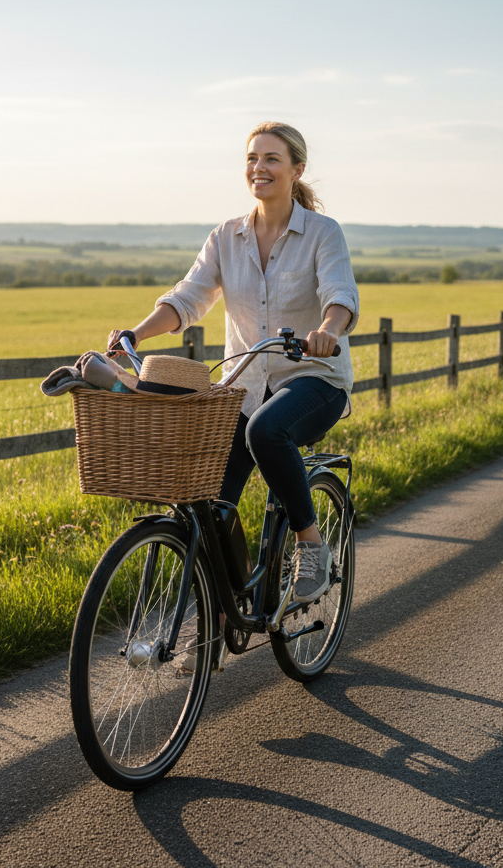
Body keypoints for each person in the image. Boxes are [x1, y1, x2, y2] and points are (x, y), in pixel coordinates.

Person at [108, 121, 359, 604]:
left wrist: (328, 330)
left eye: (271, 159)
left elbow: (339, 293)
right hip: (244, 387)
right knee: (212, 505)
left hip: (315, 379)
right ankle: (221, 621)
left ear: (296, 169)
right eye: (251, 158)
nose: (258, 168)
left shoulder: (323, 234)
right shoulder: (226, 237)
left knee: (266, 430)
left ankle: (311, 546)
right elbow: (187, 298)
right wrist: (134, 333)